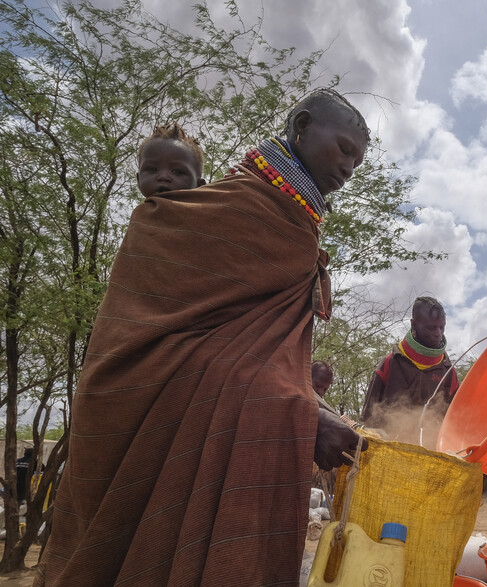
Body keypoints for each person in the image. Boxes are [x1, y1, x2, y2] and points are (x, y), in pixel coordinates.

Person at [36, 88, 371, 587]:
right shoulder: (185, 218)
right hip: (131, 411)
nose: (349, 166)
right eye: (343, 148)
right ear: (301, 126)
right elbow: (158, 351)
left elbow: (242, 349)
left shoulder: (290, 221)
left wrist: (307, 398)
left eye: (358, 159)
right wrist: (300, 412)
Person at [360, 296, 459, 448]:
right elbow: (368, 416)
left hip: (431, 454)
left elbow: (454, 421)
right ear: (414, 324)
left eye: (442, 327)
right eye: (431, 327)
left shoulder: (448, 371)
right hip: (388, 451)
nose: (438, 333)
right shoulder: (391, 362)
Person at [136, 122, 206, 197]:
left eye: (177, 172)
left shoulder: (211, 208)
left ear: (199, 186)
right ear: (139, 180)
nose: (163, 177)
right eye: (152, 169)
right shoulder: (141, 209)